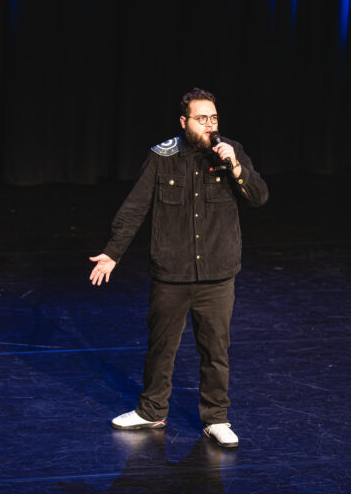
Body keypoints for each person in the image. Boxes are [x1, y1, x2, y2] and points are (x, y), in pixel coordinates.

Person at [89, 88, 268, 448]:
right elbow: (135, 207)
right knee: (161, 347)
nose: (209, 125)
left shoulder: (230, 152)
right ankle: (151, 410)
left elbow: (259, 196)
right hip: (172, 273)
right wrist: (113, 252)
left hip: (218, 274)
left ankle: (216, 418)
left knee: (215, 351)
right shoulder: (162, 157)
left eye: (214, 118)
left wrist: (235, 165)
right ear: (184, 122)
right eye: (202, 119)